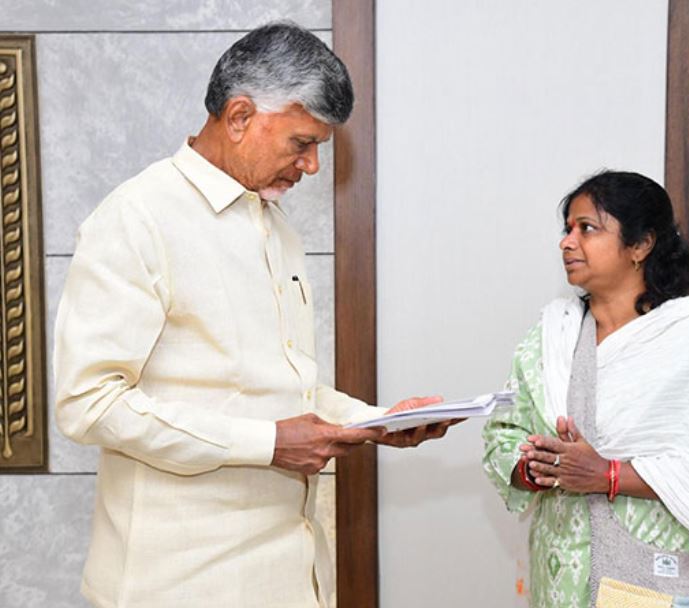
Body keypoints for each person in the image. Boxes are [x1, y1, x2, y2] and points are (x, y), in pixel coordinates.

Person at [54, 21, 450, 608]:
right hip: (177, 585)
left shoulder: (275, 226)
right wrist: (266, 444)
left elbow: (281, 387)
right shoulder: (137, 218)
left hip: (287, 578)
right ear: (239, 116)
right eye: (301, 142)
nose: (312, 166)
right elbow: (88, 404)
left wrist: (376, 422)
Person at [482, 171, 689, 608]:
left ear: (640, 245)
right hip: (564, 579)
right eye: (567, 229)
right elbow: (502, 432)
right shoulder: (551, 337)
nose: (567, 242)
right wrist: (535, 468)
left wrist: (608, 475)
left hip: (666, 576)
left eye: (587, 228)